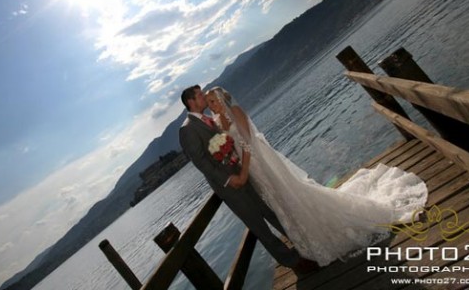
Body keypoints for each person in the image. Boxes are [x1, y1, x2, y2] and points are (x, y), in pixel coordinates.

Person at [204, 86, 428, 267]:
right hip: (252, 170)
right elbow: (231, 144)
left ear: (222, 99)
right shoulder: (220, 121)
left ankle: (327, 229)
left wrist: (243, 170)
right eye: (209, 103)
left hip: (261, 165)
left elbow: (247, 143)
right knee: (279, 202)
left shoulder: (237, 113)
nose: (210, 106)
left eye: (212, 101)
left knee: (290, 194)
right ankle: (307, 238)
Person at [179, 85, 318, 273]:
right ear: (191, 101)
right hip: (230, 186)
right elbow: (201, 162)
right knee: (258, 226)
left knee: (269, 212)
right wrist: (229, 179)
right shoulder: (187, 129)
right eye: (200, 96)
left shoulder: (211, 120)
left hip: (245, 174)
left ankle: (303, 244)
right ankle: (294, 262)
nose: (204, 97)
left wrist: (242, 171)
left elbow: (230, 143)